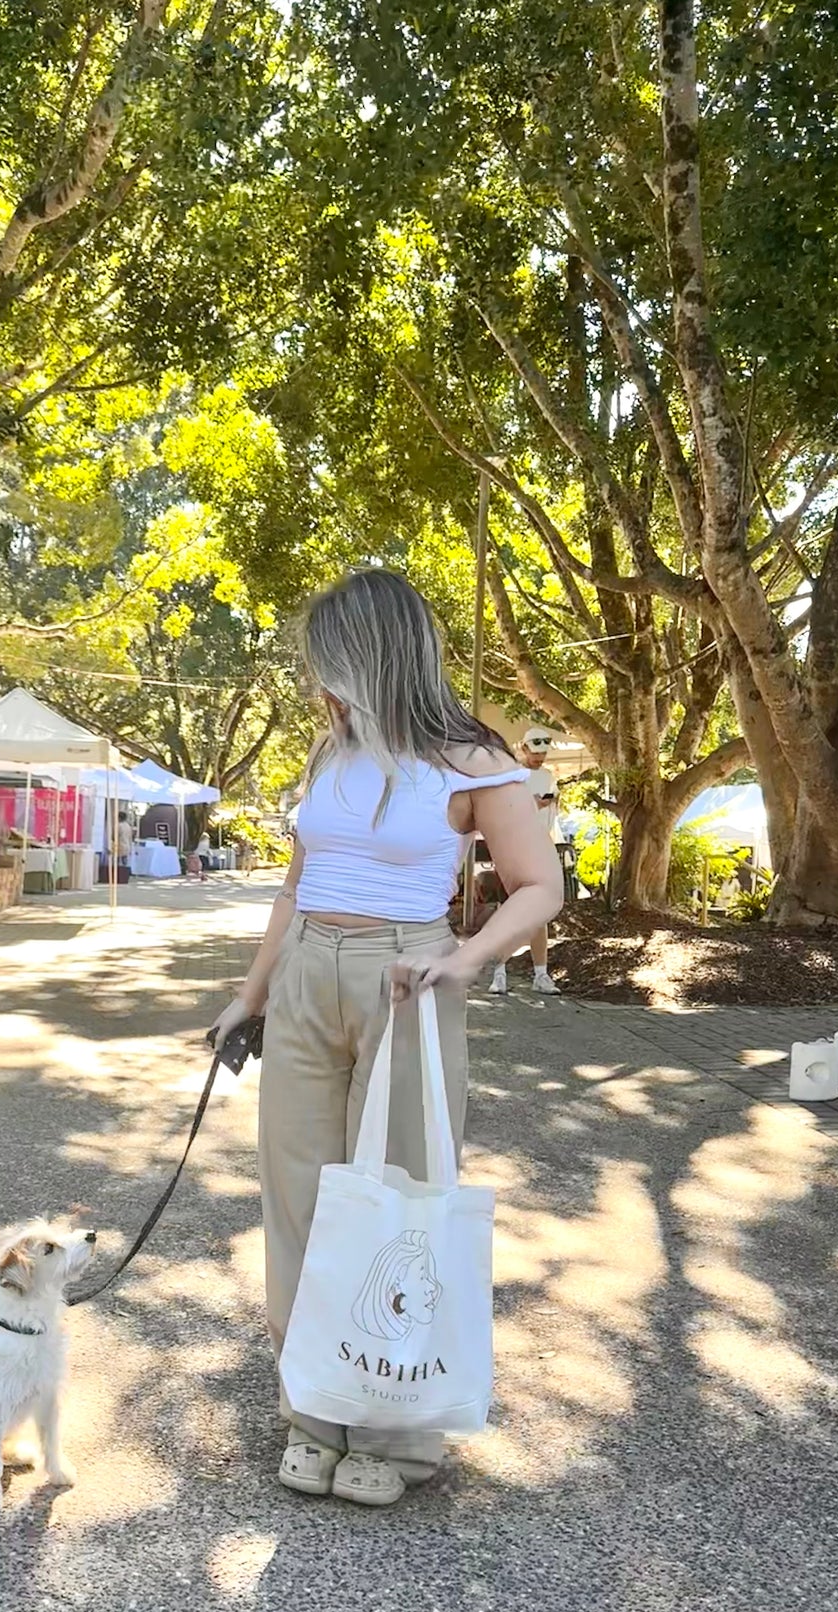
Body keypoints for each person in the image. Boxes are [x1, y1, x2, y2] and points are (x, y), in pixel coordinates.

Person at [210, 570, 563, 1507]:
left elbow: (537, 885)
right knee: (297, 1194)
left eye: (325, 659)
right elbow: (296, 884)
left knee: (400, 1195)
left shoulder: (471, 756)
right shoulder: (330, 754)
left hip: (410, 976)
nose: (312, 679)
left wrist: (466, 957)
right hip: (305, 979)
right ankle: (314, 1406)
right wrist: (249, 994)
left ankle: (396, 1428)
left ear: (371, 653)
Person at [489, 727, 561, 996]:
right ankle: (499, 972)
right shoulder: (512, 778)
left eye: (543, 754)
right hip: (515, 849)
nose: (539, 758)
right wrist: (531, 804)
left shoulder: (548, 777)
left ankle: (541, 974)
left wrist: (551, 805)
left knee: (538, 913)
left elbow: (551, 816)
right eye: (536, 752)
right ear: (524, 749)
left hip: (541, 848)